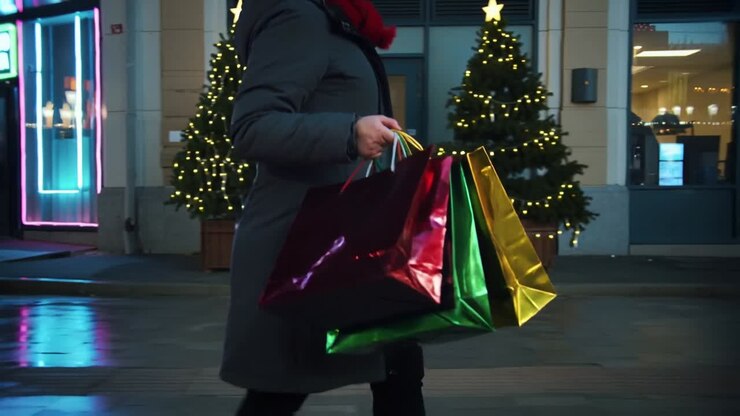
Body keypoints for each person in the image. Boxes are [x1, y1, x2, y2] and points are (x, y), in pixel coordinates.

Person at [221, 0, 426, 414]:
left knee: (400, 369)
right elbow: (251, 126)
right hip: (306, 248)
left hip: (354, 241)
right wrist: (349, 133)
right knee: (277, 390)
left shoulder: (337, 19)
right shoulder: (299, 16)